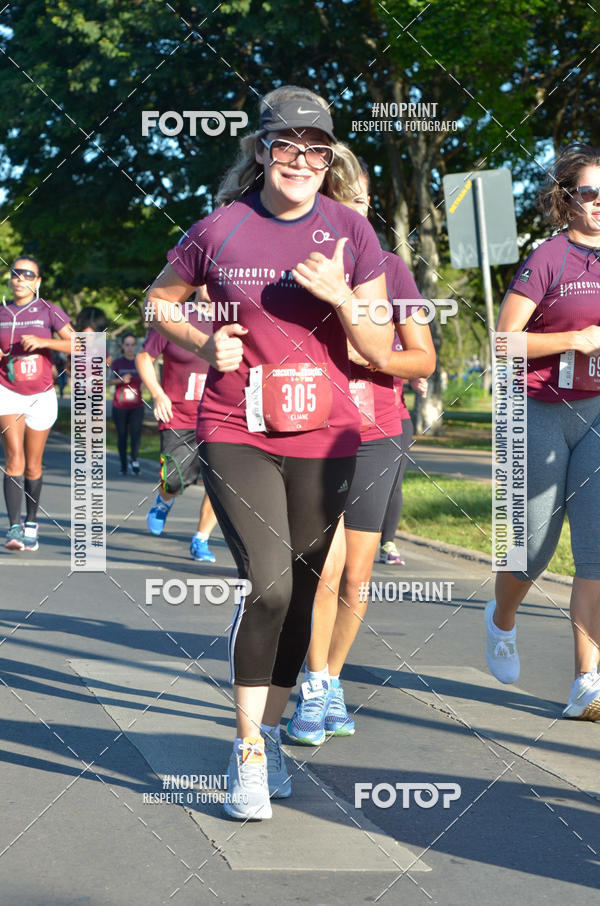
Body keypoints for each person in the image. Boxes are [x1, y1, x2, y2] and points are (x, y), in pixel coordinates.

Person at [144, 85, 394, 820]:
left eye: (317, 150)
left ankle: (276, 731)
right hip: (235, 425)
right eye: (288, 146)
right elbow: (159, 300)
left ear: (329, 158)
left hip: (328, 432)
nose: (302, 161)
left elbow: (380, 349)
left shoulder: (352, 231)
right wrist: (201, 338)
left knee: (308, 587)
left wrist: (345, 300)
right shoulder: (219, 230)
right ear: (262, 151)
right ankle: (248, 749)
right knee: (273, 587)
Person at [287, 162, 435, 744]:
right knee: (322, 569)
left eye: (361, 197)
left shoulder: (391, 270)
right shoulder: (288, 266)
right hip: (310, 431)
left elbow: (422, 358)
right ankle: (314, 683)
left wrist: (373, 359)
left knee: (356, 578)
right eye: (341, 197)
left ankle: (334, 679)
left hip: (376, 432)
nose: (351, 210)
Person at [486, 142, 600, 721]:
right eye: (590, 192)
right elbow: (503, 343)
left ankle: (588, 681)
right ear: (567, 199)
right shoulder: (548, 258)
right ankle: (502, 618)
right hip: (539, 409)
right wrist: (571, 340)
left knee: (597, 554)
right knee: (529, 551)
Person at [136, 291, 217, 562]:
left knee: (221, 483)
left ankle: (201, 540)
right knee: (173, 480)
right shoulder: (175, 317)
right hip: (179, 414)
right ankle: (164, 499)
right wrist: (158, 394)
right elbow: (144, 357)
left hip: (219, 416)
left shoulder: (232, 319)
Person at [0, 256, 74, 550]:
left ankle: (32, 522)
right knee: (13, 457)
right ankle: (14, 527)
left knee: (33, 465)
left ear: (38, 281)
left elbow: (79, 344)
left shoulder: (48, 311)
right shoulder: (2, 312)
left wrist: (45, 342)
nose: (20, 278)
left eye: (27, 274)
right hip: (8, 390)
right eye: (15, 273)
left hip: (42, 394)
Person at [378, 376, 428, 565]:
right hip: (356, 416)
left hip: (398, 418)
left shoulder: (401, 344)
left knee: (394, 482)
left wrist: (416, 379)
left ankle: (387, 542)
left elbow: (418, 363)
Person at [109, 332, 143, 476]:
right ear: (122, 346)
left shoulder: (139, 361)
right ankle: (123, 465)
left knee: (135, 434)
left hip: (136, 406)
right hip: (120, 406)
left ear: (136, 346)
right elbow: (109, 380)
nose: (130, 348)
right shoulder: (117, 362)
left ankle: (134, 459)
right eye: (127, 345)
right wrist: (121, 380)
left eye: (132, 345)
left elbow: (147, 379)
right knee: (122, 435)